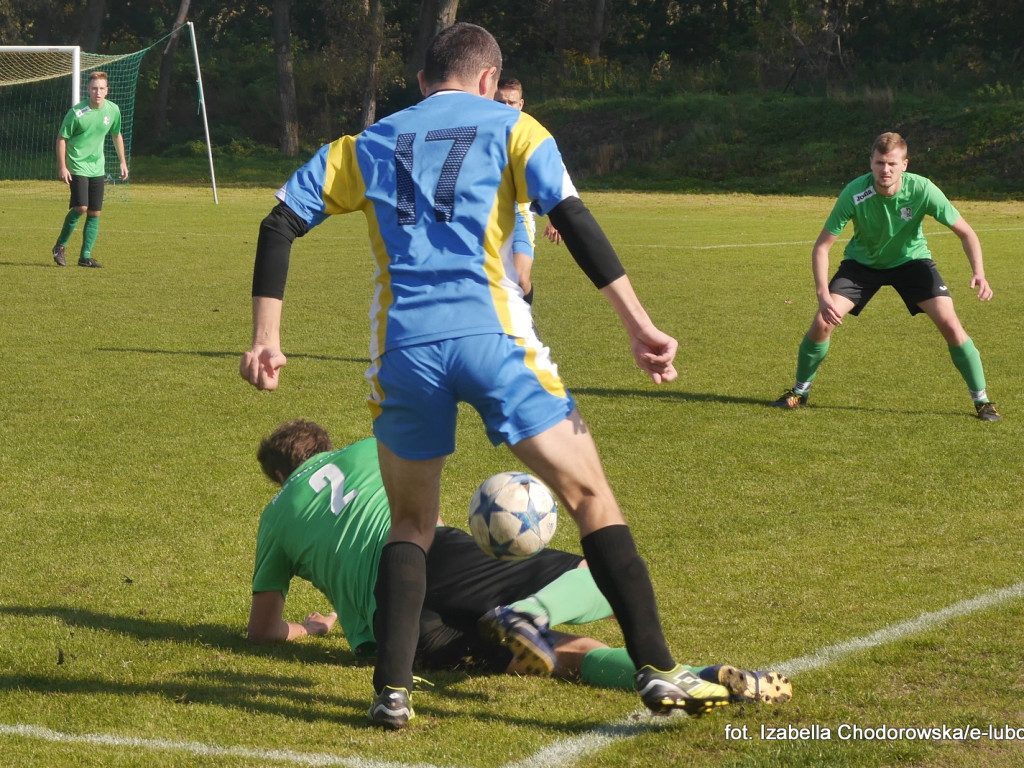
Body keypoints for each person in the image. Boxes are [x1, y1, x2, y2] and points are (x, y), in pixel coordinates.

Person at [240, 22, 708, 729]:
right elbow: (573, 218)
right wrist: (638, 324)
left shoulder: (364, 143)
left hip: (405, 350)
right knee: (590, 496)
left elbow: (278, 224)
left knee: (411, 523)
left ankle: (392, 693)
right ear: (490, 79)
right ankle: (656, 669)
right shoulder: (516, 127)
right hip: (494, 339)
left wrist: (266, 339)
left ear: (422, 81)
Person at [247, 419, 793, 713]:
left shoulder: (274, 519)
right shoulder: (370, 447)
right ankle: (533, 614)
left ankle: (702, 679)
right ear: (327, 446)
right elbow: (422, 513)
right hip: (433, 558)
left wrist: (313, 627)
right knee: (603, 575)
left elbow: (263, 631)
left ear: (279, 477)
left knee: (557, 657)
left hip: (394, 634)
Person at [770, 132, 1000, 421]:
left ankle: (983, 401)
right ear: (871, 163)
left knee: (951, 324)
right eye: (879, 163)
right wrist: (822, 295)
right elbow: (822, 247)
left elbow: (966, 232)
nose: (885, 170)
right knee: (821, 323)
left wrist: (979, 272)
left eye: (892, 163)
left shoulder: (923, 189)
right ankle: (799, 392)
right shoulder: (855, 192)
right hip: (861, 265)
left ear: (904, 164)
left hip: (912, 262)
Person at [52, 70, 129, 268]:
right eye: (94, 88)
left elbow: (116, 134)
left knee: (95, 212)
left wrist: (122, 161)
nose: (98, 92)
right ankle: (60, 247)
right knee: (81, 207)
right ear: (88, 89)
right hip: (77, 164)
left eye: (101, 88)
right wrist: (62, 166)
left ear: (107, 90)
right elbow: (62, 139)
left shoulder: (113, 110)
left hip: (97, 167)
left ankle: (85, 257)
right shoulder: (77, 112)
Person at [493, 77, 561, 301]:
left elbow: (549, 178)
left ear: (521, 104)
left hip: (519, 213)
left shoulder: (531, 136)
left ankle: (527, 316)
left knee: (521, 279)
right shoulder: (482, 133)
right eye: (500, 102)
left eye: (511, 103)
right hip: (488, 215)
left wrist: (555, 217)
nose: (506, 108)